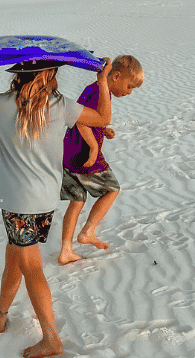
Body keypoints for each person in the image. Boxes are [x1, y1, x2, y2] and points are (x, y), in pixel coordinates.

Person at [0, 56, 112, 358]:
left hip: (17, 203)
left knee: (31, 265)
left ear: (18, 75)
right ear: (49, 74)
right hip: (45, 200)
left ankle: (51, 339)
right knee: (16, 254)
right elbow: (103, 118)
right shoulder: (60, 104)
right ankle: (0, 314)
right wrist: (102, 81)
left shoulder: (0, 104)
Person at [58, 54, 144, 265]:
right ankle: (88, 232)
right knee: (112, 189)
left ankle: (66, 250)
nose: (129, 92)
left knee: (77, 200)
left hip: (68, 151)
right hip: (83, 154)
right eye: (129, 86)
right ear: (115, 76)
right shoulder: (100, 90)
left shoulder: (93, 88)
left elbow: (89, 116)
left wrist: (103, 130)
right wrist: (94, 147)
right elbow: (80, 121)